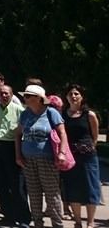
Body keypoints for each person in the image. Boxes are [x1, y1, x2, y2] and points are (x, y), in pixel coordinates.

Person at [16, 84, 68, 228]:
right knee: (34, 193)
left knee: (52, 194)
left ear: (39, 98)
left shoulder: (51, 112)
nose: (25, 98)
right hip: (28, 159)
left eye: (28, 96)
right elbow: (18, 134)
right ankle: (38, 223)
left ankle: (57, 224)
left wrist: (62, 153)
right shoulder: (25, 114)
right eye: (24, 96)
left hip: (48, 159)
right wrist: (18, 155)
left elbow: (62, 133)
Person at [0, 84, 31, 227]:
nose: (4, 96)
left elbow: (23, 133)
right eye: (1, 93)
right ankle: (8, 216)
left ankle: (24, 218)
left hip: (12, 148)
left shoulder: (20, 111)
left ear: (12, 95)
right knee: (1, 184)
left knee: (17, 186)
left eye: (6, 93)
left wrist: (20, 153)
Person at [61, 84, 100, 228]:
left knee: (91, 187)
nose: (73, 96)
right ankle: (77, 221)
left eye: (76, 94)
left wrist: (89, 148)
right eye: (70, 94)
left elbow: (94, 136)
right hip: (71, 157)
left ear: (82, 96)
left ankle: (90, 222)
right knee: (73, 188)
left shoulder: (89, 115)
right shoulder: (63, 114)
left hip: (88, 157)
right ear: (66, 97)